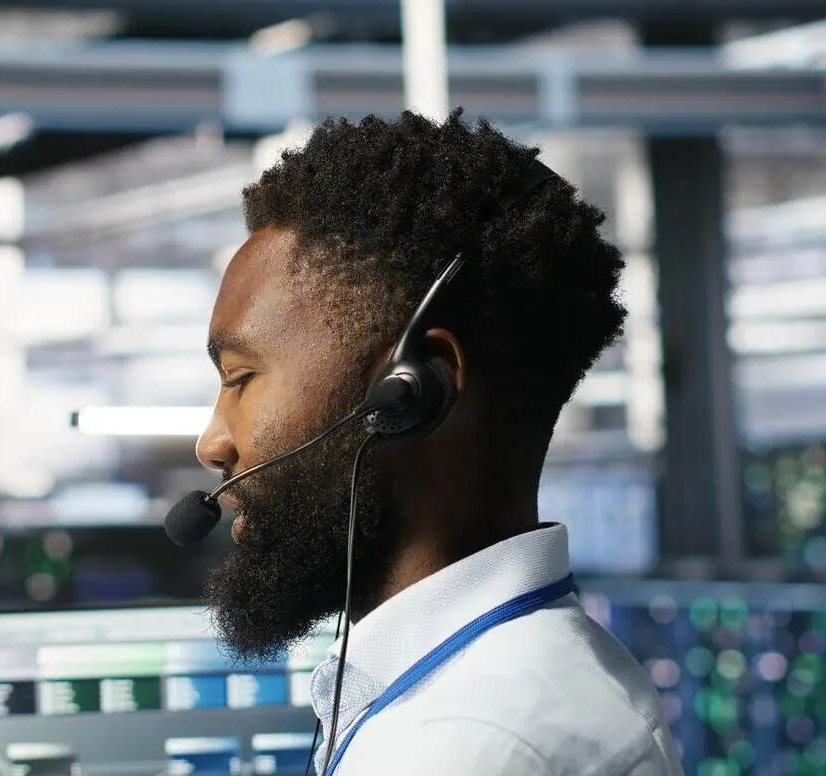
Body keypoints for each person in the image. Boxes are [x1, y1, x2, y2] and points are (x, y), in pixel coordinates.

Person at [194, 110, 683, 775]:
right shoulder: (483, 687)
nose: (212, 441)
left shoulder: (473, 745)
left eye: (240, 378)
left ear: (411, 390)